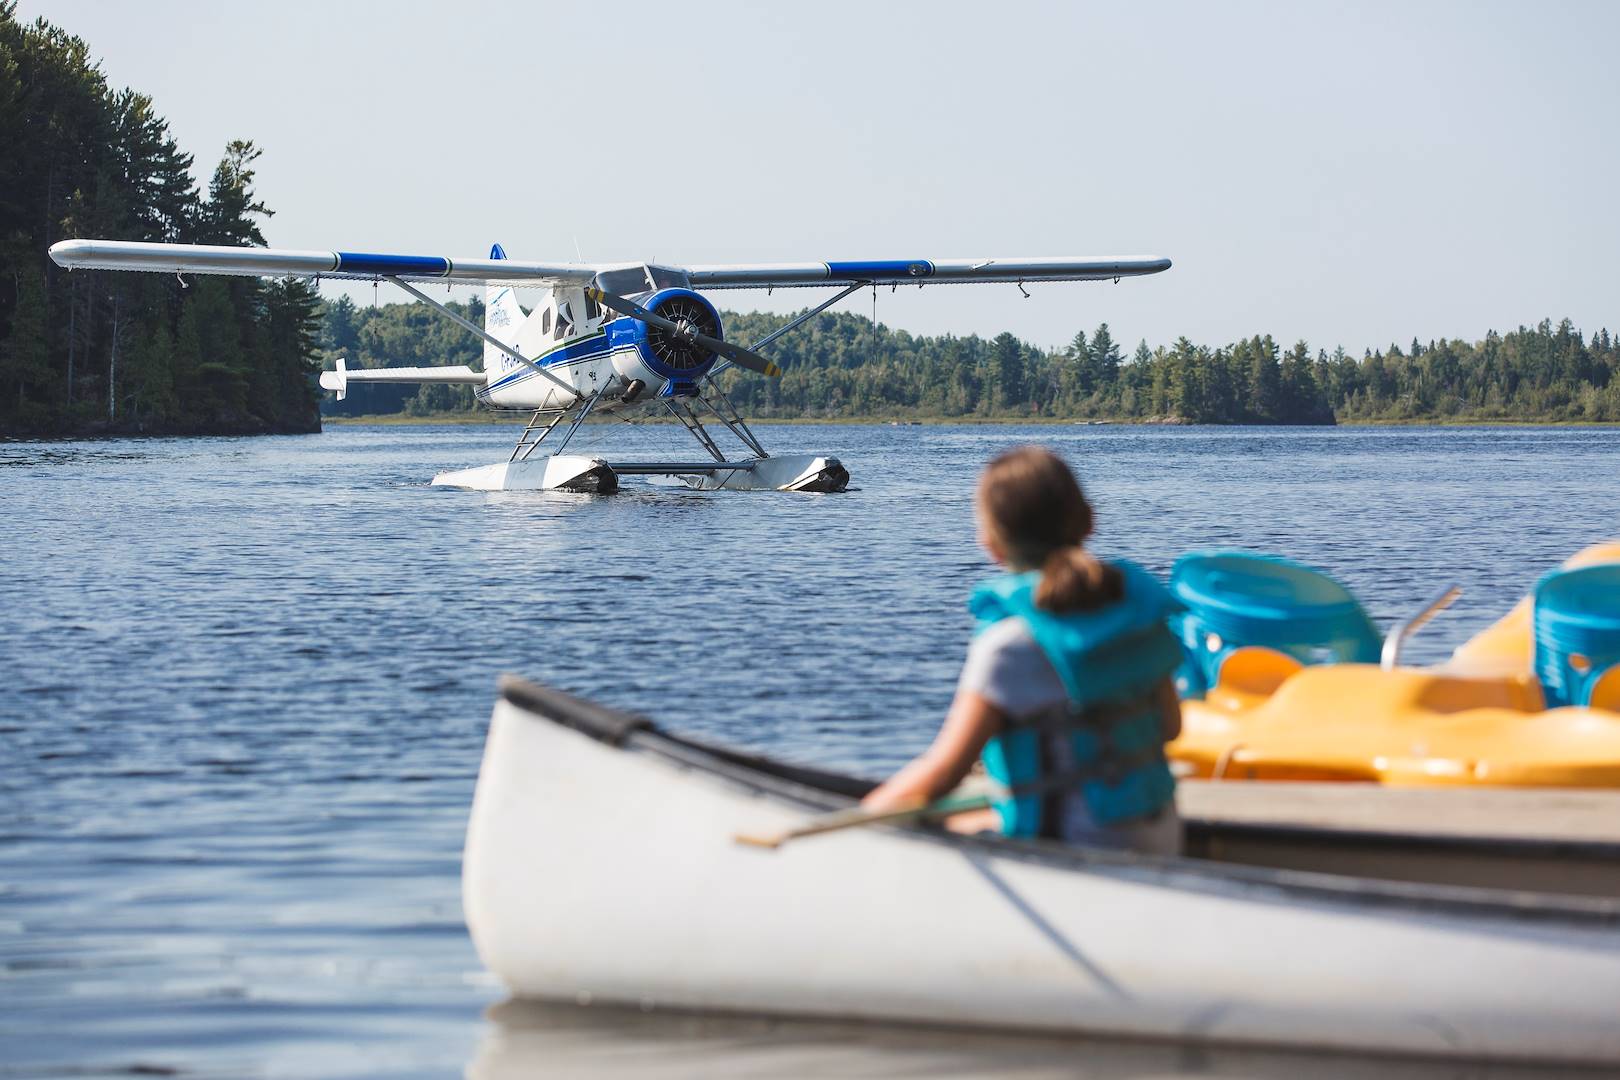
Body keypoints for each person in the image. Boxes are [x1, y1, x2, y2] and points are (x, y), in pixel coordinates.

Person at [861, 445, 1185, 855]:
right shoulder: (1138, 613)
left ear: (991, 543)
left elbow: (942, 773)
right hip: (1159, 837)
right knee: (976, 818)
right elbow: (1170, 728)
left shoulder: (1009, 646)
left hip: (1079, 852)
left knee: (933, 821)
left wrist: (864, 816)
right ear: (1088, 521)